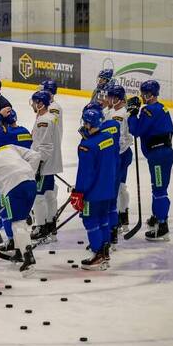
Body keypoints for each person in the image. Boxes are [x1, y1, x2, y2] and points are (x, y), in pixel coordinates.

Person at [0, 137, 40, 276]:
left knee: (17, 223)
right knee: (21, 220)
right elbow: (36, 155)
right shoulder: (9, 147)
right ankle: (18, 252)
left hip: (13, 189)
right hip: (30, 184)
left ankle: (28, 257)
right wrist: (29, 172)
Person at [127, 80, 173, 242]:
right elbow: (170, 130)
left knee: (159, 190)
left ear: (150, 95)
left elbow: (136, 130)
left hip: (158, 156)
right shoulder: (162, 108)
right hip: (165, 152)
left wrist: (133, 114)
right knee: (158, 187)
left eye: (143, 94)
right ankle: (157, 216)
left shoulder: (148, 110)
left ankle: (162, 226)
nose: (141, 96)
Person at [70, 108, 117, 270]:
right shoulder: (108, 138)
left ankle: (98, 254)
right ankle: (105, 252)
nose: (84, 125)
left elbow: (85, 174)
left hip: (93, 192)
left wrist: (78, 192)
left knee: (90, 221)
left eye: (85, 122)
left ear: (90, 124)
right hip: (108, 189)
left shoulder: (87, 146)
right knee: (104, 219)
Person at [85, 99, 121, 250]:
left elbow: (88, 167)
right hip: (112, 168)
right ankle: (110, 237)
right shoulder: (113, 126)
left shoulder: (93, 138)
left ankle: (101, 245)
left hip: (102, 174)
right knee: (108, 206)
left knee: (97, 212)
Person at [29, 90, 62, 243]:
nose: (33, 105)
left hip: (44, 165)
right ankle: (51, 226)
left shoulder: (44, 120)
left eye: (35, 102)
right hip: (50, 165)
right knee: (49, 194)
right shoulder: (50, 117)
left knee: (39, 196)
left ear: (41, 104)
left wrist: (38, 165)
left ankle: (41, 226)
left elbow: (45, 146)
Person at [106, 84, 134, 232]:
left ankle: (119, 217)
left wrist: (114, 153)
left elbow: (122, 138)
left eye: (110, 97)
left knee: (117, 187)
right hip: (120, 154)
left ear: (117, 98)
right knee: (120, 186)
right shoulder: (111, 112)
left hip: (120, 155)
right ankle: (123, 217)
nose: (107, 99)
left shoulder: (121, 114)